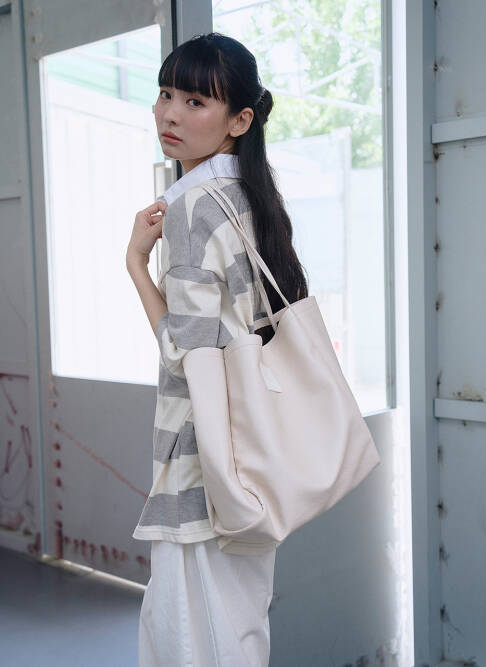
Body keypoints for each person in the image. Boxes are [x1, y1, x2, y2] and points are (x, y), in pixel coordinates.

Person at [126, 31, 309, 667]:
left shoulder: (193, 210)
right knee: (239, 631)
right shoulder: (251, 199)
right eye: (165, 94)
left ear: (240, 120)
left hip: (205, 466)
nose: (170, 114)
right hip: (256, 457)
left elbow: (187, 352)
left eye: (196, 101)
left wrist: (136, 265)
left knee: (189, 641)